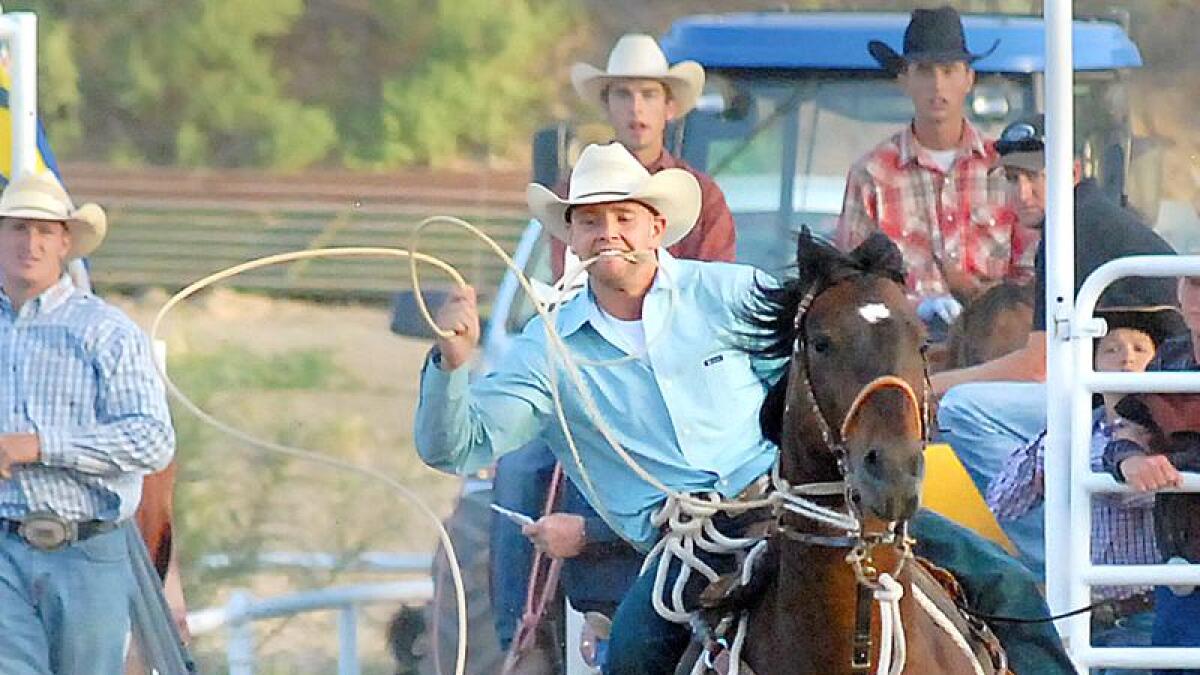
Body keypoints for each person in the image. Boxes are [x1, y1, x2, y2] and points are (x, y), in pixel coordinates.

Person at [414, 142, 1073, 675]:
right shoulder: (546, 351)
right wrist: (451, 364)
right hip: (688, 547)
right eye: (591, 220)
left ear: (655, 226)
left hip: (803, 501)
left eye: (623, 217)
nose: (608, 232)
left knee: (1005, 581)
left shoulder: (733, 296)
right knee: (633, 655)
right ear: (573, 238)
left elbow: (832, 351)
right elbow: (460, 446)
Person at [492, 32, 738, 649]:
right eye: (623, 93)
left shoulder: (703, 198)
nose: (636, 107)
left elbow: (712, 293)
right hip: (601, 372)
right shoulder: (582, 194)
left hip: (681, 375)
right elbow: (571, 289)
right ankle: (520, 641)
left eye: (647, 94)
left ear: (668, 107)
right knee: (520, 466)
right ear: (609, 104)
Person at [931, 114, 1176, 575]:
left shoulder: (1071, 231)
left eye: (1035, 178)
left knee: (963, 409)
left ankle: (1059, 561)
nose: (1022, 193)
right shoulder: (1089, 218)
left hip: (1144, 397)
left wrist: (932, 382)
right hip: (1139, 393)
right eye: (1013, 179)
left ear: (1073, 173)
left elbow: (1037, 366)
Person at [0, 172, 175, 675]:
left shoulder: (106, 332)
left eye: (44, 231)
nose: (29, 244)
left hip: (87, 546)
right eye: (17, 228)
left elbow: (152, 439)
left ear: (64, 243)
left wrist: (40, 446)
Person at [987, 305, 1185, 673]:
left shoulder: (1163, 436)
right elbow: (1004, 502)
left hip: (1143, 611)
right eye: (1111, 349)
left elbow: (1140, 490)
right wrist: (1051, 447)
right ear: (1092, 362)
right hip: (1081, 613)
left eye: (1139, 349)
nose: (1125, 358)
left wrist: (1072, 461)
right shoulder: (1069, 431)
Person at [835, 5, 1035, 337]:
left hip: (995, 355)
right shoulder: (870, 176)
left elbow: (1031, 282)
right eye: (925, 71)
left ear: (968, 79)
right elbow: (853, 288)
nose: (937, 85)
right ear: (904, 79)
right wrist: (914, 309)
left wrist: (982, 306)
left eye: (948, 70)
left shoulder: (1007, 172)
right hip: (900, 354)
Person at [1103, 276, 1200, 674]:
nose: (1198, 295)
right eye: (1192, 283)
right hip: (1183, 569)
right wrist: (1130, 460)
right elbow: (1130, 428)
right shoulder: (1169, 359)